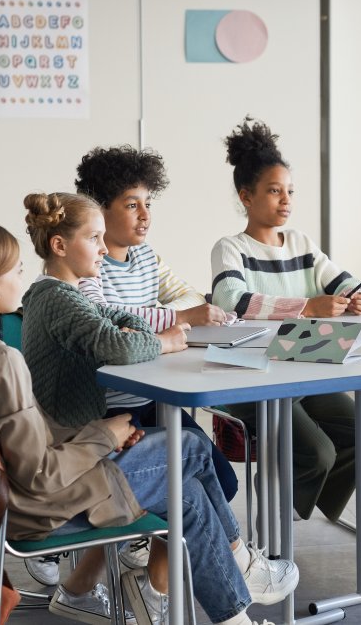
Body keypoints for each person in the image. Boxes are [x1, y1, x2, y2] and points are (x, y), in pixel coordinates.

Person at [17, 192, 299, 623]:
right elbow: (118, 341)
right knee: (190, 448)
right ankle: (240, 568)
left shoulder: (61, 296)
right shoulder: (60, 298)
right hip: (74, 463)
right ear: (59, 246)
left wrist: (134, 324)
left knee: (186, 478)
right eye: (93, 238)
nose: (101, 248)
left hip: (77, 452)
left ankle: (234, 606)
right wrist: (166, 338)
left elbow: (117, 321)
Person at [209, 116, 361, 522]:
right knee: (317, 452)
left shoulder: (301, 243)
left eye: (289, 191)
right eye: (273, 191)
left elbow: (343, 279)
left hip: (303, 364)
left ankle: (290, 503)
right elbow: (231, 300)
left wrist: (355, 295)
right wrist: (307, 307)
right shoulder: (229, 248)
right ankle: (274, 505)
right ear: (246, 196)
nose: (285, 200)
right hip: (251, 375)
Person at [73, 144, 238, 498]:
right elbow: (108, 321)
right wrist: (174, 318)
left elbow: (192, 296)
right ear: (100, 211)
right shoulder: (87, 265)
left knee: (223, 482)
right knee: (195, 485)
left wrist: (158, 321)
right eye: (132, 205)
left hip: (153, 397)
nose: (145, 215)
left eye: (148, 203)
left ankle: (177, 549)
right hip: (112, 407)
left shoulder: (146, 257)